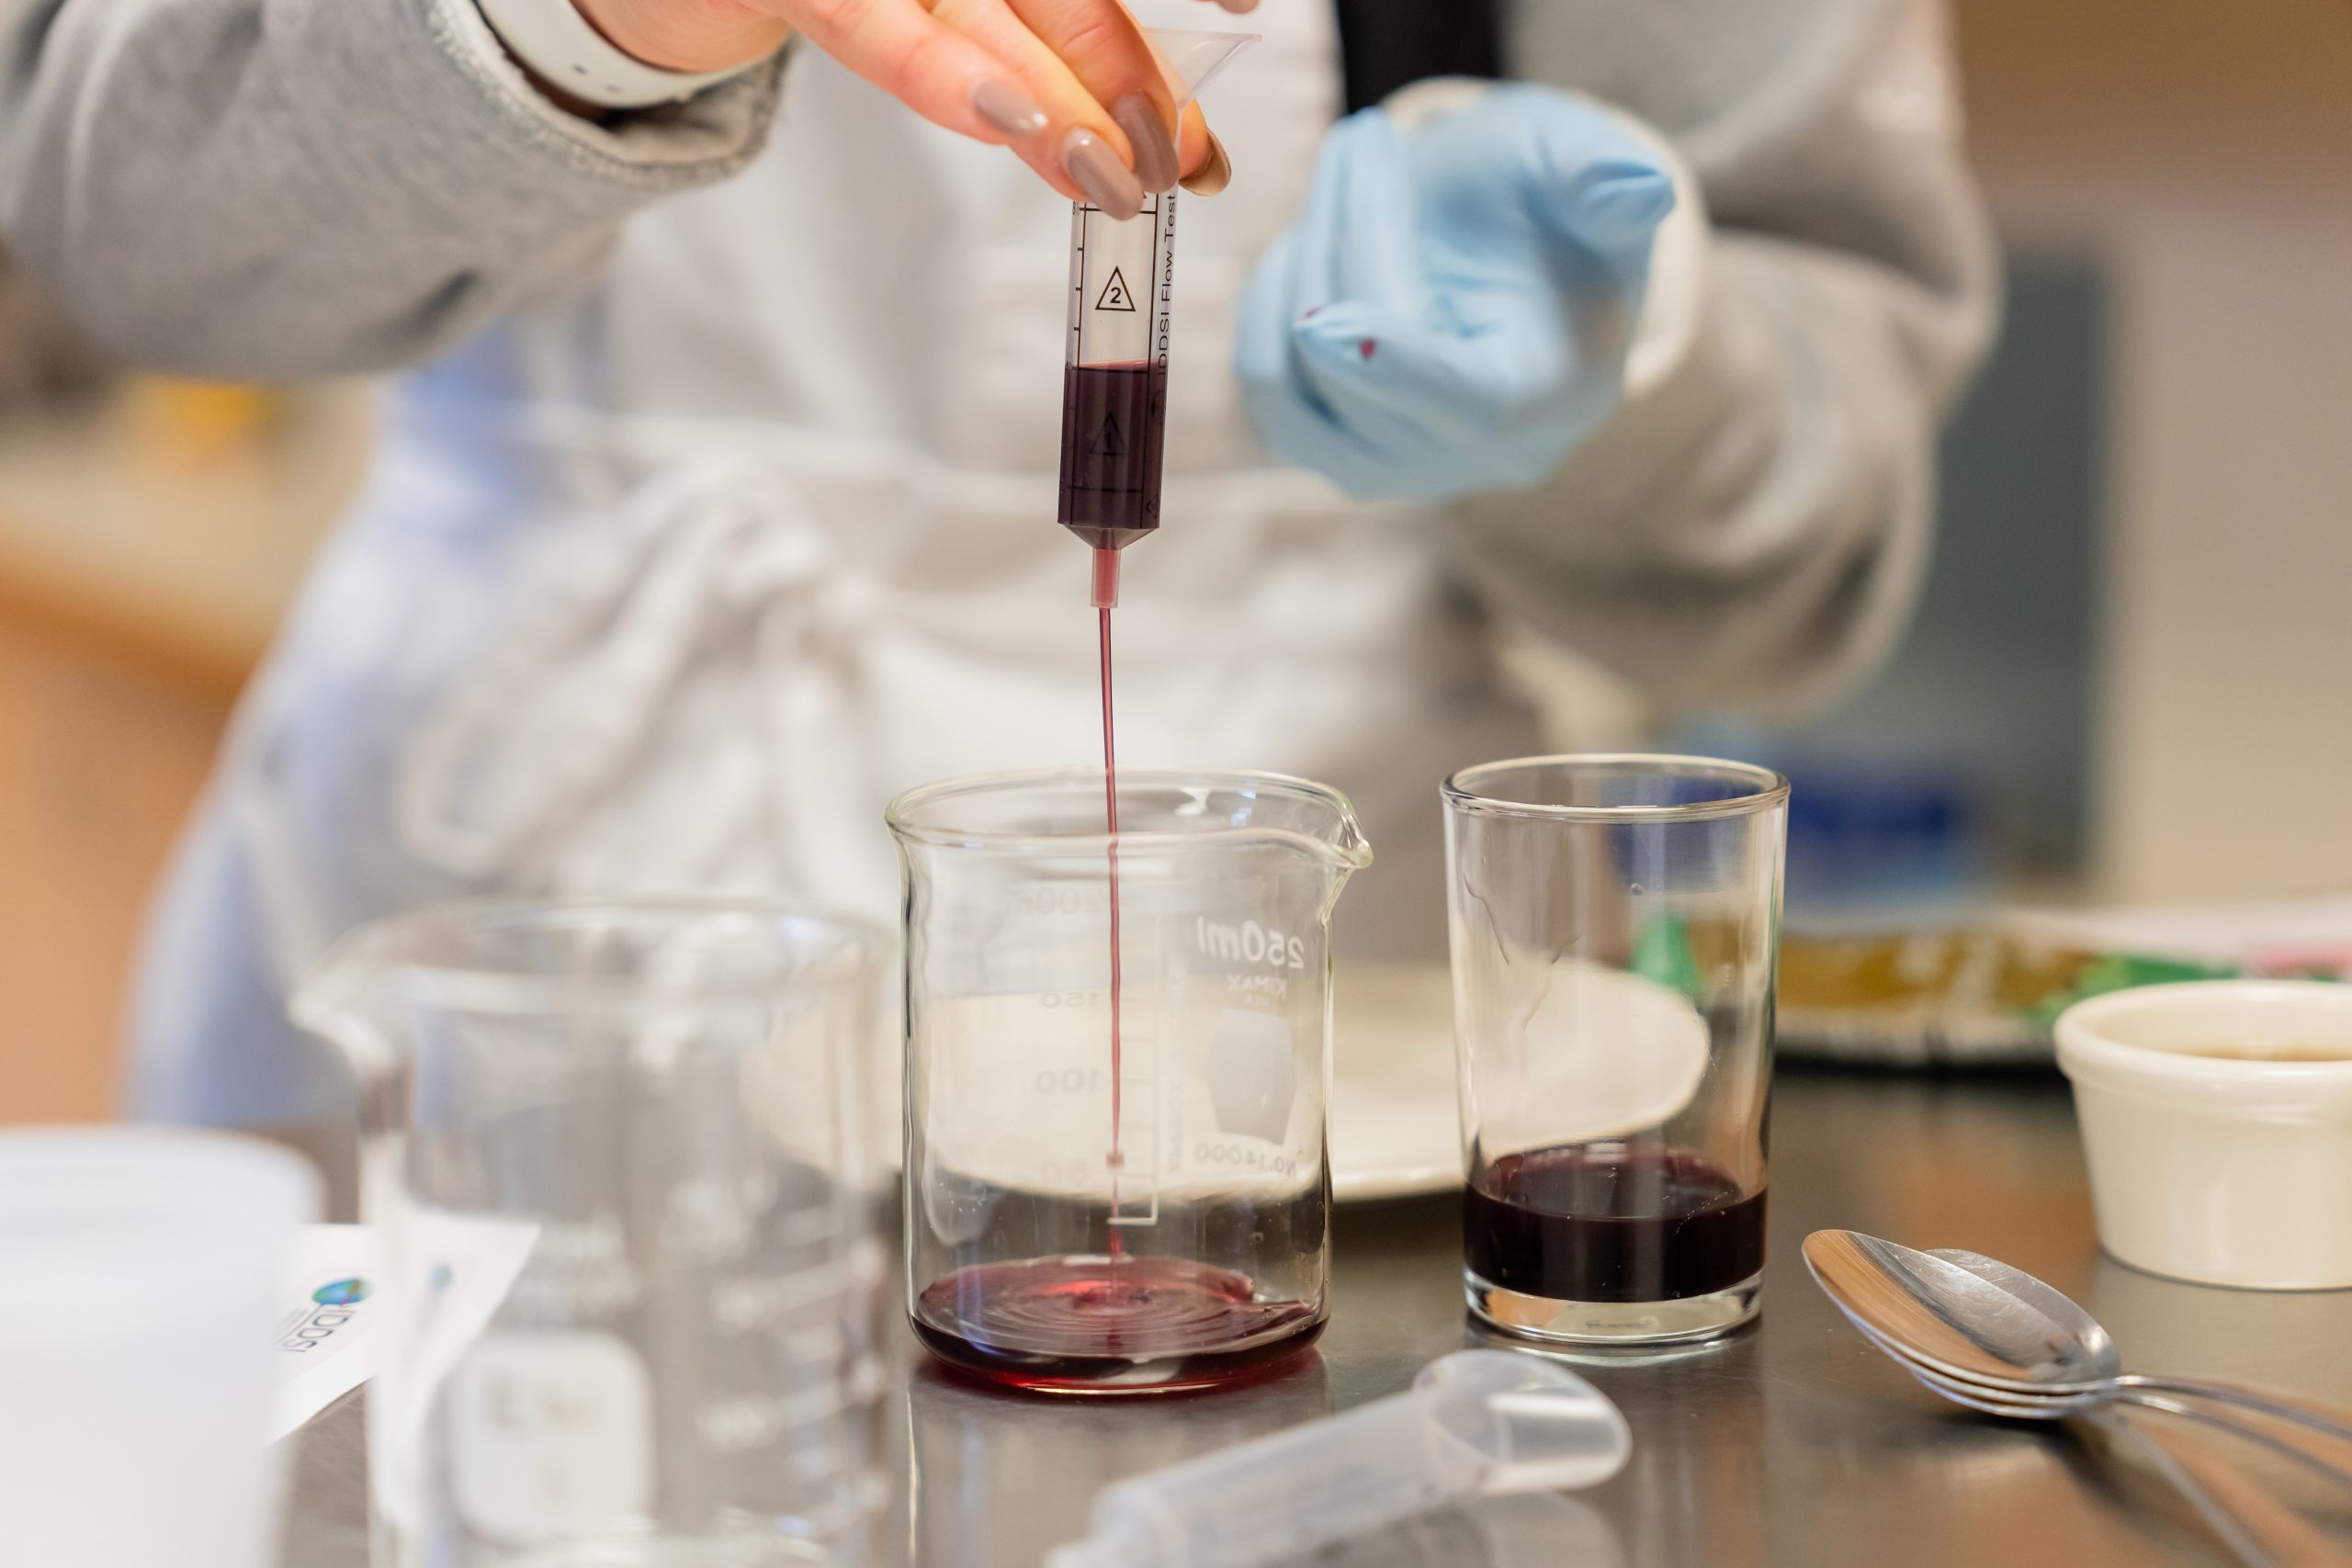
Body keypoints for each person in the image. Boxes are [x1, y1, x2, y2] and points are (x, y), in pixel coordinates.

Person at [0, 0, 1996, 1126]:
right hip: (529, 1006)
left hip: (1338, 1068)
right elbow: (111, 223)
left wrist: (1633, 355)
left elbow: (1813, 555)